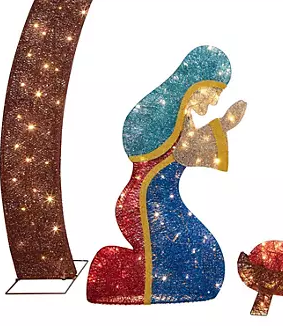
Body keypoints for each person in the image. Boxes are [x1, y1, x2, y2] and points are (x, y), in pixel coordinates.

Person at [87, 45, 246, 304]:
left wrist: (224, 125)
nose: (215, 101)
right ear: (196, 84)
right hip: (145, 204)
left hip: (162, 201)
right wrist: (225, 124)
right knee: (197, 264)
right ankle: (107, 275)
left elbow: (187, 148)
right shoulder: (163, 113)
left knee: (205, 260)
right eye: (214, 91)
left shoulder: (181, 116)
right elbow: (185, 153)